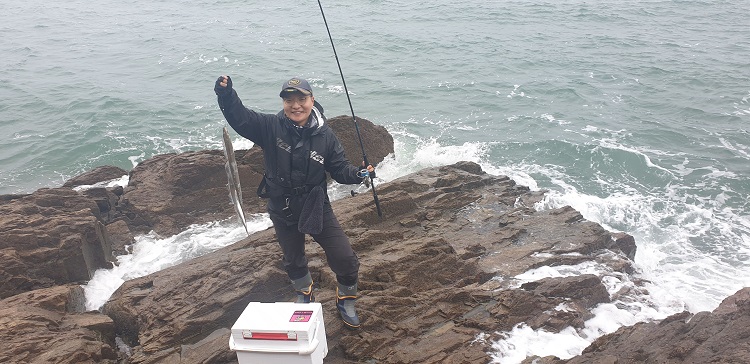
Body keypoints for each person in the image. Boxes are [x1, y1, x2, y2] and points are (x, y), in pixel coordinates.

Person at [214, 75, 373, 329]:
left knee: (344, 257)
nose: (295, 105)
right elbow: (240, 118)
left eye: (302, 99)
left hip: (315, 204)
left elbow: (340, 169)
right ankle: (305, 293)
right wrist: (226, 95)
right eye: (289, 100)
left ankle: (346, 298)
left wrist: (359, 173)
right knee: (293, 259)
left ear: (312, 100)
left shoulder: (326, 136)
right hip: (282, 205)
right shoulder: (269, 126)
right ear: (284, 103)